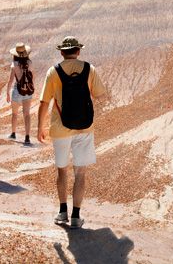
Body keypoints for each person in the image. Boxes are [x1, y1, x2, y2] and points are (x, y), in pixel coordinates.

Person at [38, 36, 106, 229]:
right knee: (80, 173)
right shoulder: (89, 69)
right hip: (84, 128)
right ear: (78, 51)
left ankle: (62, 212)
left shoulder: (53, 72)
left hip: (60, 129)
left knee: (62, 171)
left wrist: (40, 127)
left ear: (61, 52)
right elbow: (101, 95)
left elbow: (44, 102)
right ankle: (76, 216)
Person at [5, 42, 34, 145]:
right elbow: (31, 76)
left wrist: (8, 92)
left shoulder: (14, 65)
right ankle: (27, 137)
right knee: (27, 114)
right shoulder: (30, 63)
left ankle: (13, 133)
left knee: (14, 114)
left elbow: (10, 80)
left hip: (17, 90)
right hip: (28, 91)